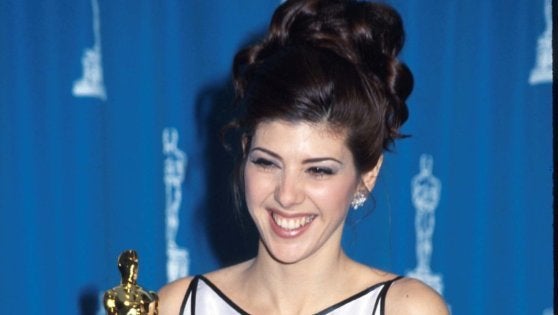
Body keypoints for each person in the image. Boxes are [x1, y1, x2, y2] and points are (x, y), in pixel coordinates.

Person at [159, 0, 449, 313]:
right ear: (245, 155)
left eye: (318, 171)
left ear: (367, 175)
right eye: (267, 162)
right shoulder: (175, 305)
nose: (286, 195)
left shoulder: (407, 309)